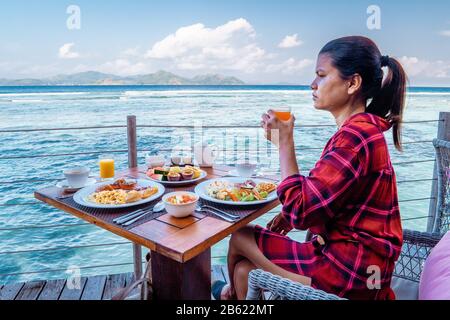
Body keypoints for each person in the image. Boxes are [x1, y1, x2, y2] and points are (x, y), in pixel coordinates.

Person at [212, 36, 406, 300]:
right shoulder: (363, 131)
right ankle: (231, 294)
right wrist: (289, 216)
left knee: (241, 237)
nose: (312, 84)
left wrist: (284, 143)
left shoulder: (354, 138)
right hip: (363, 267)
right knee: (245, 269)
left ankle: (226, 295)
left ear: (352, 83)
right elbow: (331, 199)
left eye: (321, 75)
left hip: (350, 274)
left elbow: (300, 211)